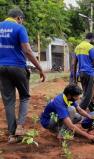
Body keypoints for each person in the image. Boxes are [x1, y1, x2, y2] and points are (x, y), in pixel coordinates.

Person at [0, 8, 46, 143]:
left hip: (1, 68)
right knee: (25, 97)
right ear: (19, 18)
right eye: (22, 20)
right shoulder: (19, 28)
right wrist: (39, 68)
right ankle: (20, 126)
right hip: (18, 67)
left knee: (9, 101)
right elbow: (27, 50)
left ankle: (12, 135)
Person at [73, 33, 94, 112]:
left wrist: (74, 77)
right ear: (92, 38)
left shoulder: (77, 47)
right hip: (90, 73)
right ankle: (77, 112)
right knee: (88, 95)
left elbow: (74, 64)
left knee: (87, 93)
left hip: (81, 74)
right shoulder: (90, 47)